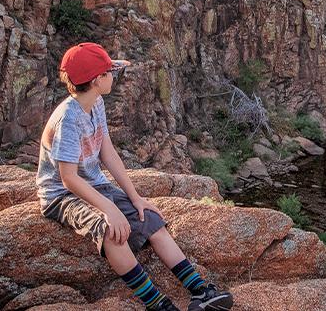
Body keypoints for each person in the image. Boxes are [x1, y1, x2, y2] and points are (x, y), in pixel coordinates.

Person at [36, 42, 234, 311]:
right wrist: (109, 210)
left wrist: (135, 197)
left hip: (93, 184)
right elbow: (68, 178)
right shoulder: (68, 119)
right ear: (97, 80)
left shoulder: (96, 103)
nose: (113, 77)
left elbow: (108, 153)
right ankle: (158, 304)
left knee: (150, 219)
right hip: (62, 194)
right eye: (110, 73)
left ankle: (200, 290)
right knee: (110, 231)